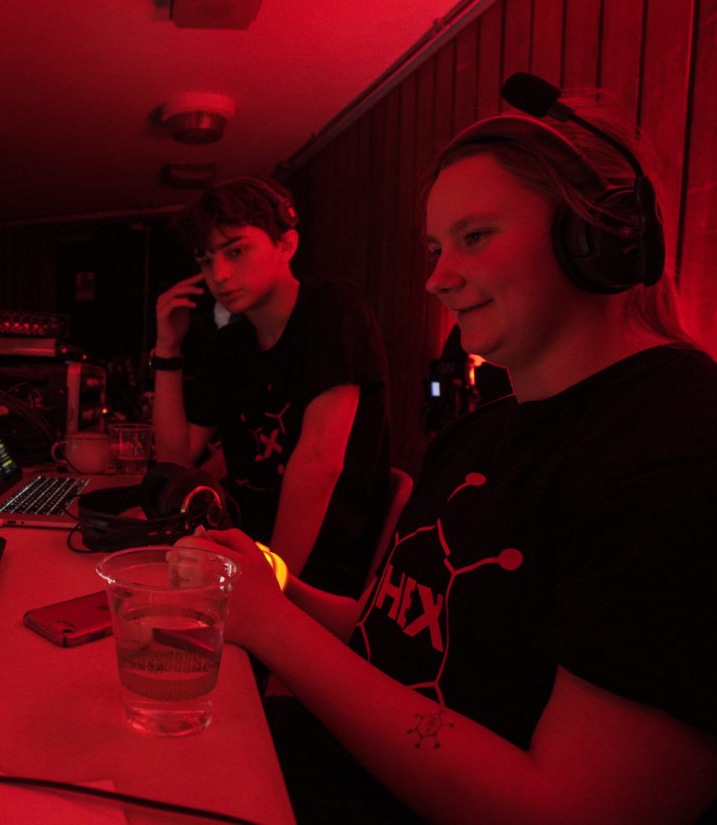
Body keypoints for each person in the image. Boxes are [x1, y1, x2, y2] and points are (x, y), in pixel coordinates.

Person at [181, 92, 717, 824]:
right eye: (436, 248)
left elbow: (573, 807)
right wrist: (278, 592)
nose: (436, 276)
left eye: (474, 236)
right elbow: (395, 641)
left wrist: (272, 630)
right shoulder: (478, 433)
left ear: (597, 238)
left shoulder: (676, 444)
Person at [153, 176, 391, 597]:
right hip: (242, 551)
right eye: (206, 261)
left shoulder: (333, 307)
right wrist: (168, 349)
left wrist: (271, 586)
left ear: (286, 244)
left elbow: (320, 460)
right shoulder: (230, 345)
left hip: (317, 571)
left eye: (236, 251)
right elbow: (176, 460)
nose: (220, 274)